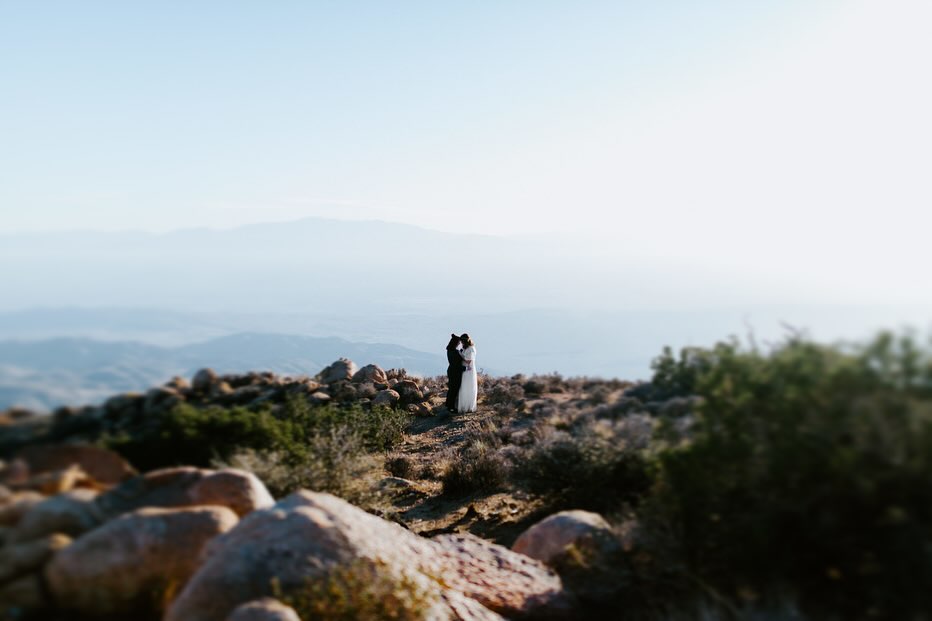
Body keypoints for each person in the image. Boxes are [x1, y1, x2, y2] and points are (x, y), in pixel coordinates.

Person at [456, 333, 478, 413]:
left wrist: (460, 354)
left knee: (467, 387)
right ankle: (464, 406)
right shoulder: (467, 348)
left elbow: (469, 361)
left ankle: (468, 406)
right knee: (464, 387)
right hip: (465, 370)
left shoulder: (471, 349)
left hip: (468, 371)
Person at [444, 333, 463, 411]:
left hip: (451, 370)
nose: (459, 344)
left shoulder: (449, 350)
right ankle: (451, 407)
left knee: (451, 389)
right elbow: (457, 363)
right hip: (456, 372)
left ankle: (448, 404)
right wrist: (464, 368)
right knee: (454, 389)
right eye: (458, 342)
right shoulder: (455, 352)